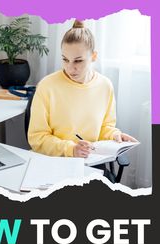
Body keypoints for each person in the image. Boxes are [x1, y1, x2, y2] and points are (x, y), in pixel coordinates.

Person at [28, 20, 137, 158]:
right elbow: (37, 138)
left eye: (78, 61)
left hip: (91, 162)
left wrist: (115, 135)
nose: (70, 68)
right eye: (65, 59)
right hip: (55, 161)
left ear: (93, 57)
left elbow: (104, 128)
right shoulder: (47, 86)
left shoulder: (105, 86)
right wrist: (71, 149)